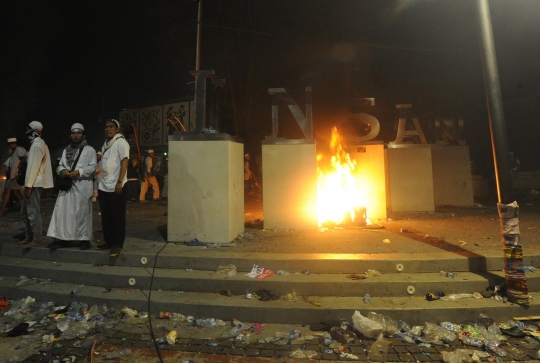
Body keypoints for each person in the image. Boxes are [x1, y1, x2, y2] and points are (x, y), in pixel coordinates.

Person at [46, 123, 97, 250]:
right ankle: (64, 238)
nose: (76, 135)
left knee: (82, 213)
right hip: (67, 186)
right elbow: (60, 165)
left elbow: (93, 167)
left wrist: (79, 172)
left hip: (82, 186)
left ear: (83, 135)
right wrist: (63, 171)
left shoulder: (89, 150)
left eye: (79, 133)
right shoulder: (66, 150)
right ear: (70, 135)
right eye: (74, 133)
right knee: (65, 213)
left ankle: (84, 239)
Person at [97, 119, 129, 256]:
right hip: (104, 186)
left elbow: (124, 161)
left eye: (111, 127)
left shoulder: (121, 142)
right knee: (106, 216)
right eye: (106, 127)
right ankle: (108, 241)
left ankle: (117, 244)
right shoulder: (106, 144)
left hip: (116, 185)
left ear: (117, 129)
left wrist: (119, 181)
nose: (108, 129)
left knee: (117, 217)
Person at [20, 121, 54, 249]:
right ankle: (29, 237)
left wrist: (28, 185)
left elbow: (33, 167)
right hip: (32, 183)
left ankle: (36, 238)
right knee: (25, 211)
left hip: (33, 183)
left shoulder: (36, 145)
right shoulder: (38, 144)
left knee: (32, 212)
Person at [0, 138, 26, 217]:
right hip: (13, 176)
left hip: (16, 177)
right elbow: (5, 164)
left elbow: (26, 156)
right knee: (21, 194)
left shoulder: (19, 149)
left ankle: (1, 211)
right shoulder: (12, 156)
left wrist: (20, 164)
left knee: (8, 193)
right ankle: (28, 208)